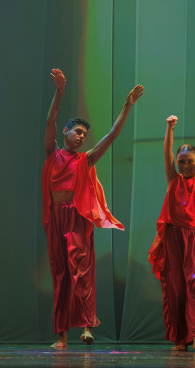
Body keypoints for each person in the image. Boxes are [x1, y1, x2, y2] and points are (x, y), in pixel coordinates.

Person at [43, 68, 144, 348]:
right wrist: (60, 91)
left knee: (82, 271)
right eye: (77, 131)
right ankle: (61, 337)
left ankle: (87, 325)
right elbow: (50, 119)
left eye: (85, 134)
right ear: (65, 132)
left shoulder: (85, 160)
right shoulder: (52, 154)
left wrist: (127, 105)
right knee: (61, 275)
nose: (82, 137)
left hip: (77, 219)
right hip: (55, 219)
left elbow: (111, 135)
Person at [148, 115, 195, 351]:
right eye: (181, 161)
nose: (184, 166)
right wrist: (169, 128)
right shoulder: (174, 180)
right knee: (175, 288)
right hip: (173, 236)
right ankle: (180, 339)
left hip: (194, 237)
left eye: (189, 161)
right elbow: (166, 154)